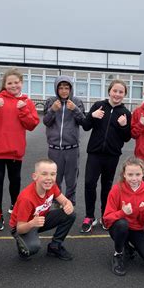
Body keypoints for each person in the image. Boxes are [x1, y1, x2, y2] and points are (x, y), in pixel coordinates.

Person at [0, 68, 39, 232]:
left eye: (16, 82)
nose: (13, 85)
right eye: (10, 83)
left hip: (15, 150)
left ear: (21, 83)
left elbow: (32, 124)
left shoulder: (26, 102)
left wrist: (23, 110)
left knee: (15, 180)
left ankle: (15, 206)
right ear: (5, 85)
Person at [80, 79, 132, 233]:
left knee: (107, 186)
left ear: (124, 95)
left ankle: (105, 215)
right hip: (95, 153)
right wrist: (92, 116)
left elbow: (127, 137)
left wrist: (123, 126)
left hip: (112, 155)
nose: (117, 94)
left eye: (121, 92)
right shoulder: (98, 106)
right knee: (90, 183)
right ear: (109, 91)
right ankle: (90, 216)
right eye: (115, 91)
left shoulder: (126, 113)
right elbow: (85, 126)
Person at [9, 159, 76, 261]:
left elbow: (65, 201)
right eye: (44, 174)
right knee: (32, 248)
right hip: (23, 225)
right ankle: (22, 245)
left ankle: (55, 246)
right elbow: (19, 228)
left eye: (52, 174)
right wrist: (32, 223)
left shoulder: (52, 186)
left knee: (70, 214)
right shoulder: (26, 198)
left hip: (40, 219)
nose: (49, 178)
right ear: (35, 176)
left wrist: (68, 205)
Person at [103, 156, 144, 276]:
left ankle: (127, 246)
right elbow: (107, 218)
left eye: (137, 174)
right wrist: (122, 213)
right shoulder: (116, 189)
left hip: (136, 229)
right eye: (130, 175)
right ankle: (118, 254)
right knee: (122, 224)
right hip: (119, 227)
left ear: (143, 173)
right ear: (124, 174)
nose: (134, 178)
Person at [43, 75, 86, 206]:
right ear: (56, 89)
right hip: (54, 148)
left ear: (71, 89)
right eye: (60, 88)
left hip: (72, 148)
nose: (63, 91)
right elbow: (46, 122)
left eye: (66, 88)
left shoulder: (76, 102)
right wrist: (52, 110)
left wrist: (75, 110)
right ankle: (56, 201)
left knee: (71, 179)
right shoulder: (51, 102)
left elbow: (83, 121)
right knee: (54, 178)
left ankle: (69, 202)